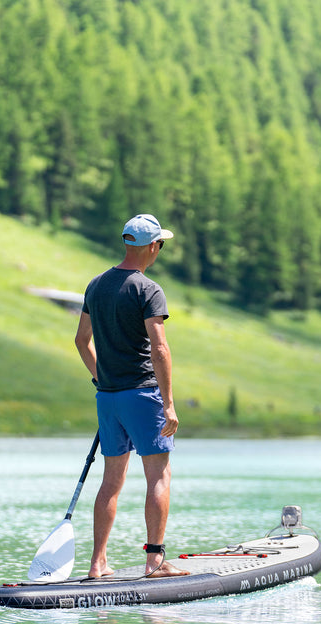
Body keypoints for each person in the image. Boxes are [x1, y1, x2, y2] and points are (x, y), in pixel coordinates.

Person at [75, 213, 189, 579]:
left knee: (111, 480)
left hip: (107, 398)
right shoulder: (147, 289)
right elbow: (160, 348)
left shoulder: (96, 285)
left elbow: (81, 340)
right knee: (159, 474)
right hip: (142, 395)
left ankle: (97, 564)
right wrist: (168, 403)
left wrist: (101, 377)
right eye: (161, 244)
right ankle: (154, 561)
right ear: (152, 246)